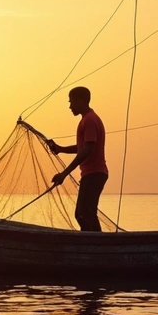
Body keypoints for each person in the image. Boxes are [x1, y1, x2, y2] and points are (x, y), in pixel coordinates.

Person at [46, 86, 109, 232]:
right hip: (92, 174)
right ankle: (95, 246)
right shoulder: (87, 120)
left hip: (94, 173)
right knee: (84, 213)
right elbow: (83, 146)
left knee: (84, 213)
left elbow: (88, 149)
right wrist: (61, 149)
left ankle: (97, 247)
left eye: (71, 102)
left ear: (80, 101)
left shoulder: (90, 120)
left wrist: (64, 173)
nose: (70, 106)